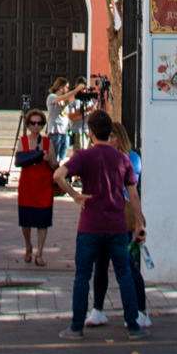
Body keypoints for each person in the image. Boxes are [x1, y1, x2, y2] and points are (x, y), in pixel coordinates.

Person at [54, 109, 145, 340]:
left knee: (83, 275)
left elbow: (58, 175)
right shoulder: (123, 158)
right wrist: (138, 223)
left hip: (90, 226)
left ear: (91, 132)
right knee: (124, 274)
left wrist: (75, 195)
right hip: (116, 224)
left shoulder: (84, 156)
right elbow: (133, 195)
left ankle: (76, 326)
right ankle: (133, 325)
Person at [88, 122, 148, 328]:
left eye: (113, 136)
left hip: (124, 216)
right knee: (101, 264)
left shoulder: (131, 158)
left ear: (120, 137)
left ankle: (140, 310)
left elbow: (130, 189)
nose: (110, 140)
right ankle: (97, 309)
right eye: (107, 136)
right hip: (104, 216)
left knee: (129, 266)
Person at [14, 108, 57, 266]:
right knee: (26, 222)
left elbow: (54, 164)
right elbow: (19, 161)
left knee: (42, 221)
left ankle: (39, 253)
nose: (36, 126)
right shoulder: (23, 141)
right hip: (27, 186)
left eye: (39, 123)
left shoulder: (48, 142)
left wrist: (48, 159)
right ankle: (28, 246)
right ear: (28, 124)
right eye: (32, 123)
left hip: (44, 186)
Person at [46, 78, 72, 161]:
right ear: (61, 87)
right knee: (53, 158)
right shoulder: (52, 96)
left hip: (65, 132)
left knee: (61, 158)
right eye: (66, 87)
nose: (68, 89)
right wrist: (76, 90)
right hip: (55, 132)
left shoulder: (65, 100)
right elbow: (62, 98)